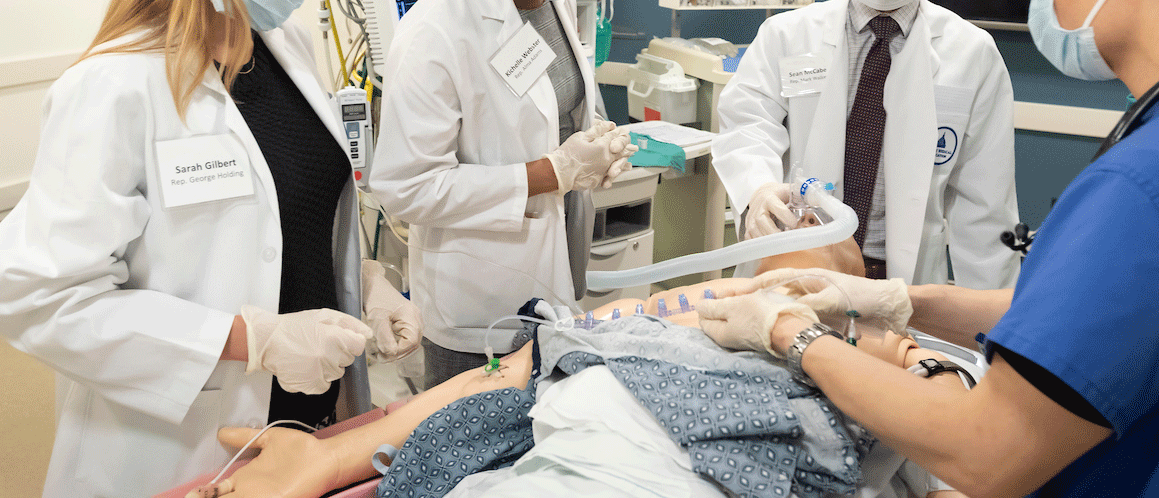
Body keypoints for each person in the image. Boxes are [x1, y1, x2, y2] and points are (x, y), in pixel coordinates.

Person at [698, 0, 1159, 497]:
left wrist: (792, 335)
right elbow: (1070, 319)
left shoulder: (1146, 184)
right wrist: (896, 300)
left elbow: (988, 447)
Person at [0, 0, 418, 498]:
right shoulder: (114, 88)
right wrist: (246, 338)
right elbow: (40, 296)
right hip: (178, 445)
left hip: (306, 428)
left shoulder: (289, 50)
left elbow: (291, 213)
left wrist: (362, 279)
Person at [175, 268, 968, 498]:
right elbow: (502, 379)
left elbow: (958, 435)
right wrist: (328, 460)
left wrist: (884, 346)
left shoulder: (885, 377)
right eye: (778, 281)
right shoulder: (681, 315)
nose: (785, 293)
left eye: (830, 288)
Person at [369, 0, 637, 388]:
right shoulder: (439, 30)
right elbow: (406, 189)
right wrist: (551, 174)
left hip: (554, 288)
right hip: (478, 315)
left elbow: (552, 111)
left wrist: (593, 149)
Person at [713, 0, 1020, 288]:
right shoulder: (787, 34)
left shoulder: (972, 55)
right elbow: (747, 125)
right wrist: (759, 188)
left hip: (899, 281)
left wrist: (987, 328)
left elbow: (986, 210)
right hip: (795, 260)